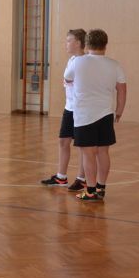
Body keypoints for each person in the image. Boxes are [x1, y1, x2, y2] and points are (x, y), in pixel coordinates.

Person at [64, 29, 127, 202]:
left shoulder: (78, 62)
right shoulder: (115, 64)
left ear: (87, 44)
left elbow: (67, 78)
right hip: (106, 113)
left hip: (84, 114)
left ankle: (90, 191)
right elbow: (122, 90)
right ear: (105, 45)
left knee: (88, 153)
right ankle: (101, 187)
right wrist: (119, 111)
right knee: (103, 152)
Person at [41, 29, 88, 191]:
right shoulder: (72, 60)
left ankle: (82, 178)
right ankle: (61, 177)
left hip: (81, 110)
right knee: (63, 141)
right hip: (69, 108)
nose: (66, 44)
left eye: (69, 40)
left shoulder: (85, 61)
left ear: (78, 43)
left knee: (83, 146)